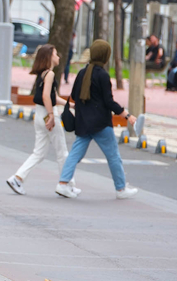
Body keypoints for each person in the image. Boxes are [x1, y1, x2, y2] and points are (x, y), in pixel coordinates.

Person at [56, 39, 138, 199]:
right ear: (105, 56)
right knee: (113, 156)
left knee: (74, 154)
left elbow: (73, 96)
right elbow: (109, 102)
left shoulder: (81, 73)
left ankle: (63, 184)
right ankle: (121, 189)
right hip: (100, 124)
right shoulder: (103, 76)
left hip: (83, 122)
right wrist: (127, 115)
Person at [6, 45, 77, 195]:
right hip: (47, 114)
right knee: (62, 151)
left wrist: (70, 105)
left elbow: (53, 97)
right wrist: (51, 115)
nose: (59, 57)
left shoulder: (42, 74)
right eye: (56, 54)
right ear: (49, 56)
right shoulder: (50, 74)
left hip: (39, 114)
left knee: (39, 153)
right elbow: (46, 97)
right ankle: (67, 184)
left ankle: (17, 178)